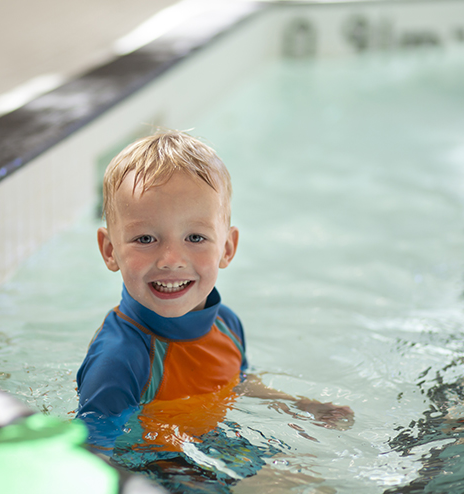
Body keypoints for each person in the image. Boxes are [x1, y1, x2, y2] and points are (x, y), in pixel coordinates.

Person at [75, 131, 352, 489]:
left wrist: (300, 405)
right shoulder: (121, 357)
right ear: (110, 249)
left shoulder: (226, 324)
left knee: (313, 486)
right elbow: (90, 455)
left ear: (227, 247)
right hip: (151, 466)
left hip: (212, 445)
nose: (171, 260)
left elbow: (236, 382)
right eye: (145, 238)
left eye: (195, 238)